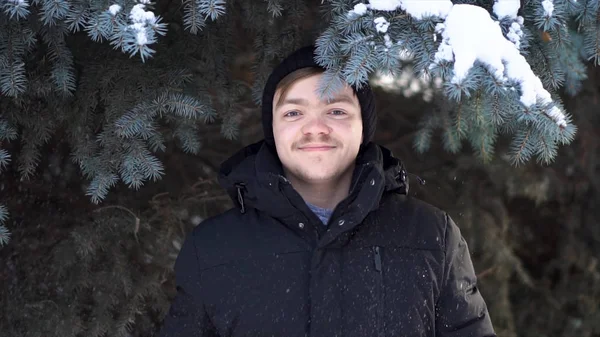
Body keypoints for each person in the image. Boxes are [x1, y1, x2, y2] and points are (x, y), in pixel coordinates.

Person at [158, 45, 496, 337]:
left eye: (336, 111)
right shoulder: (213, 248)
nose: (315, 128)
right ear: (272, 130)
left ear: (363, 126)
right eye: (293, 112)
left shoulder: (431, 236)